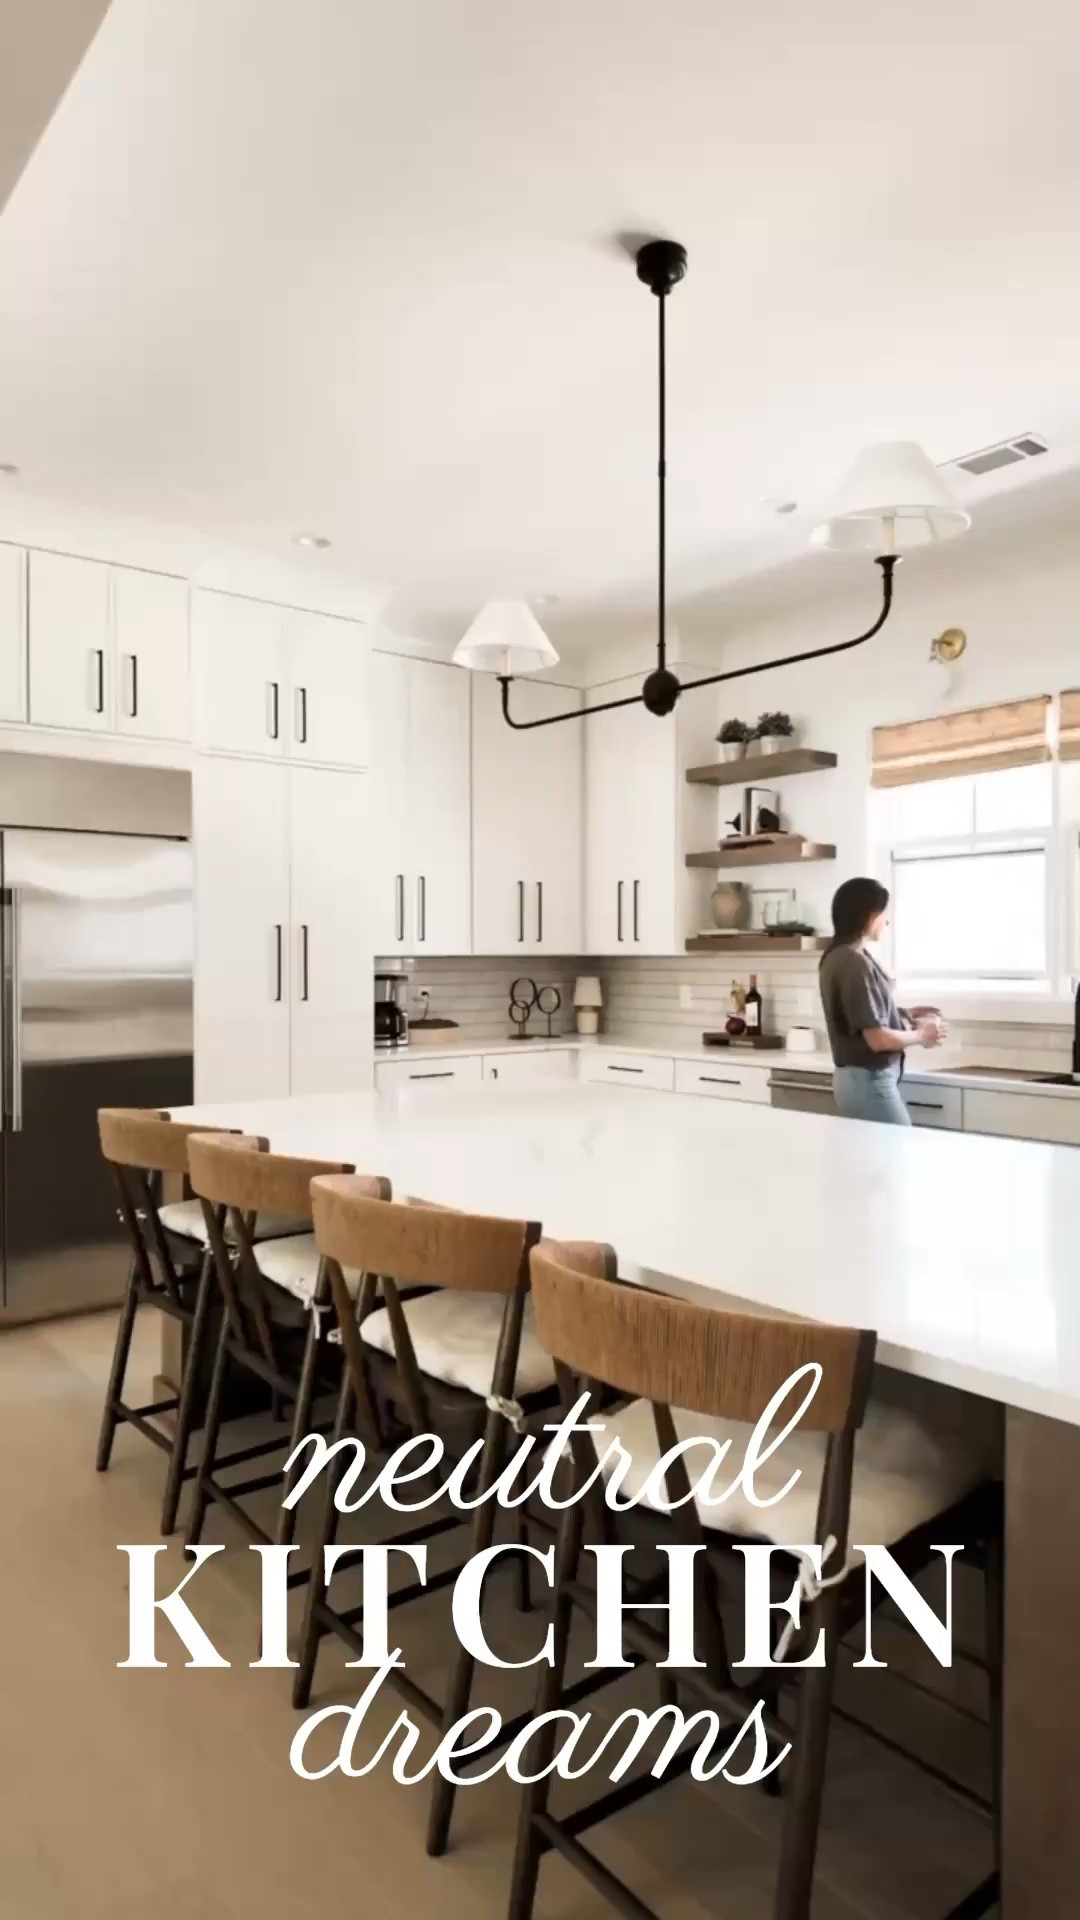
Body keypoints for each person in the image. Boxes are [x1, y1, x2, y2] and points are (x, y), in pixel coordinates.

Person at [818, 877, 945, 1126]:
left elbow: (859, 1012)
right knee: (897, 1154)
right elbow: (877, 1039)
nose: (886, 921)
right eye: (882, 914)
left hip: (859, 1082)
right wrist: (923, 1035)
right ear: (867, 915)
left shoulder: (840, 955)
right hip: (868, 1083)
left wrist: (905, 1014)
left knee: (873, 1161)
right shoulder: (853, 962)